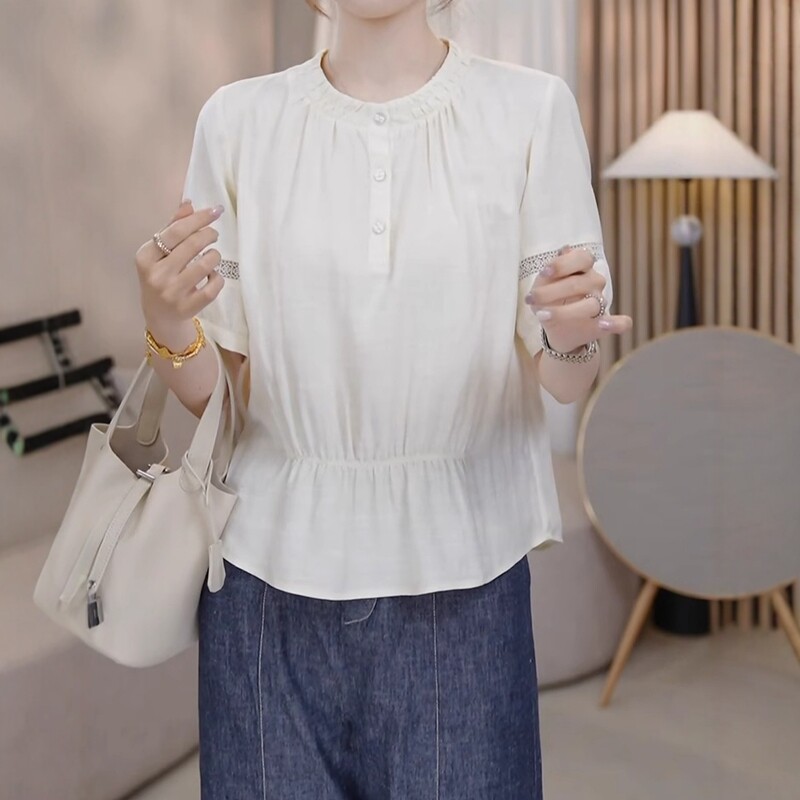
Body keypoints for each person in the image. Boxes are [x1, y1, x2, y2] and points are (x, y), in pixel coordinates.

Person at [134, 1, 633, 796]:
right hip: (263, 591)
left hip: (464, 588)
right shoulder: (237, 121)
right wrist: (166, 323)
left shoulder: (530, 109)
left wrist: (572, 334)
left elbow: (568, 379)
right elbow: (223, 405)